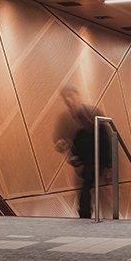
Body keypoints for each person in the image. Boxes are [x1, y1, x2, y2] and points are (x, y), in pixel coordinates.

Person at [54, 88, 111, 219]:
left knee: (90, 193)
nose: (68, 100)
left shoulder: (93, 113)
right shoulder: (65, 119)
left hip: (97, 161)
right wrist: (63, 147)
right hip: (82, 164)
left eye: (70, 96)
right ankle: (86, 219)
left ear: (77, 95)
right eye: (65, 98)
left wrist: (109, 166)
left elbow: (105, 139)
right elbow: (62, 142)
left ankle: (89, 218)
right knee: (85, 192)